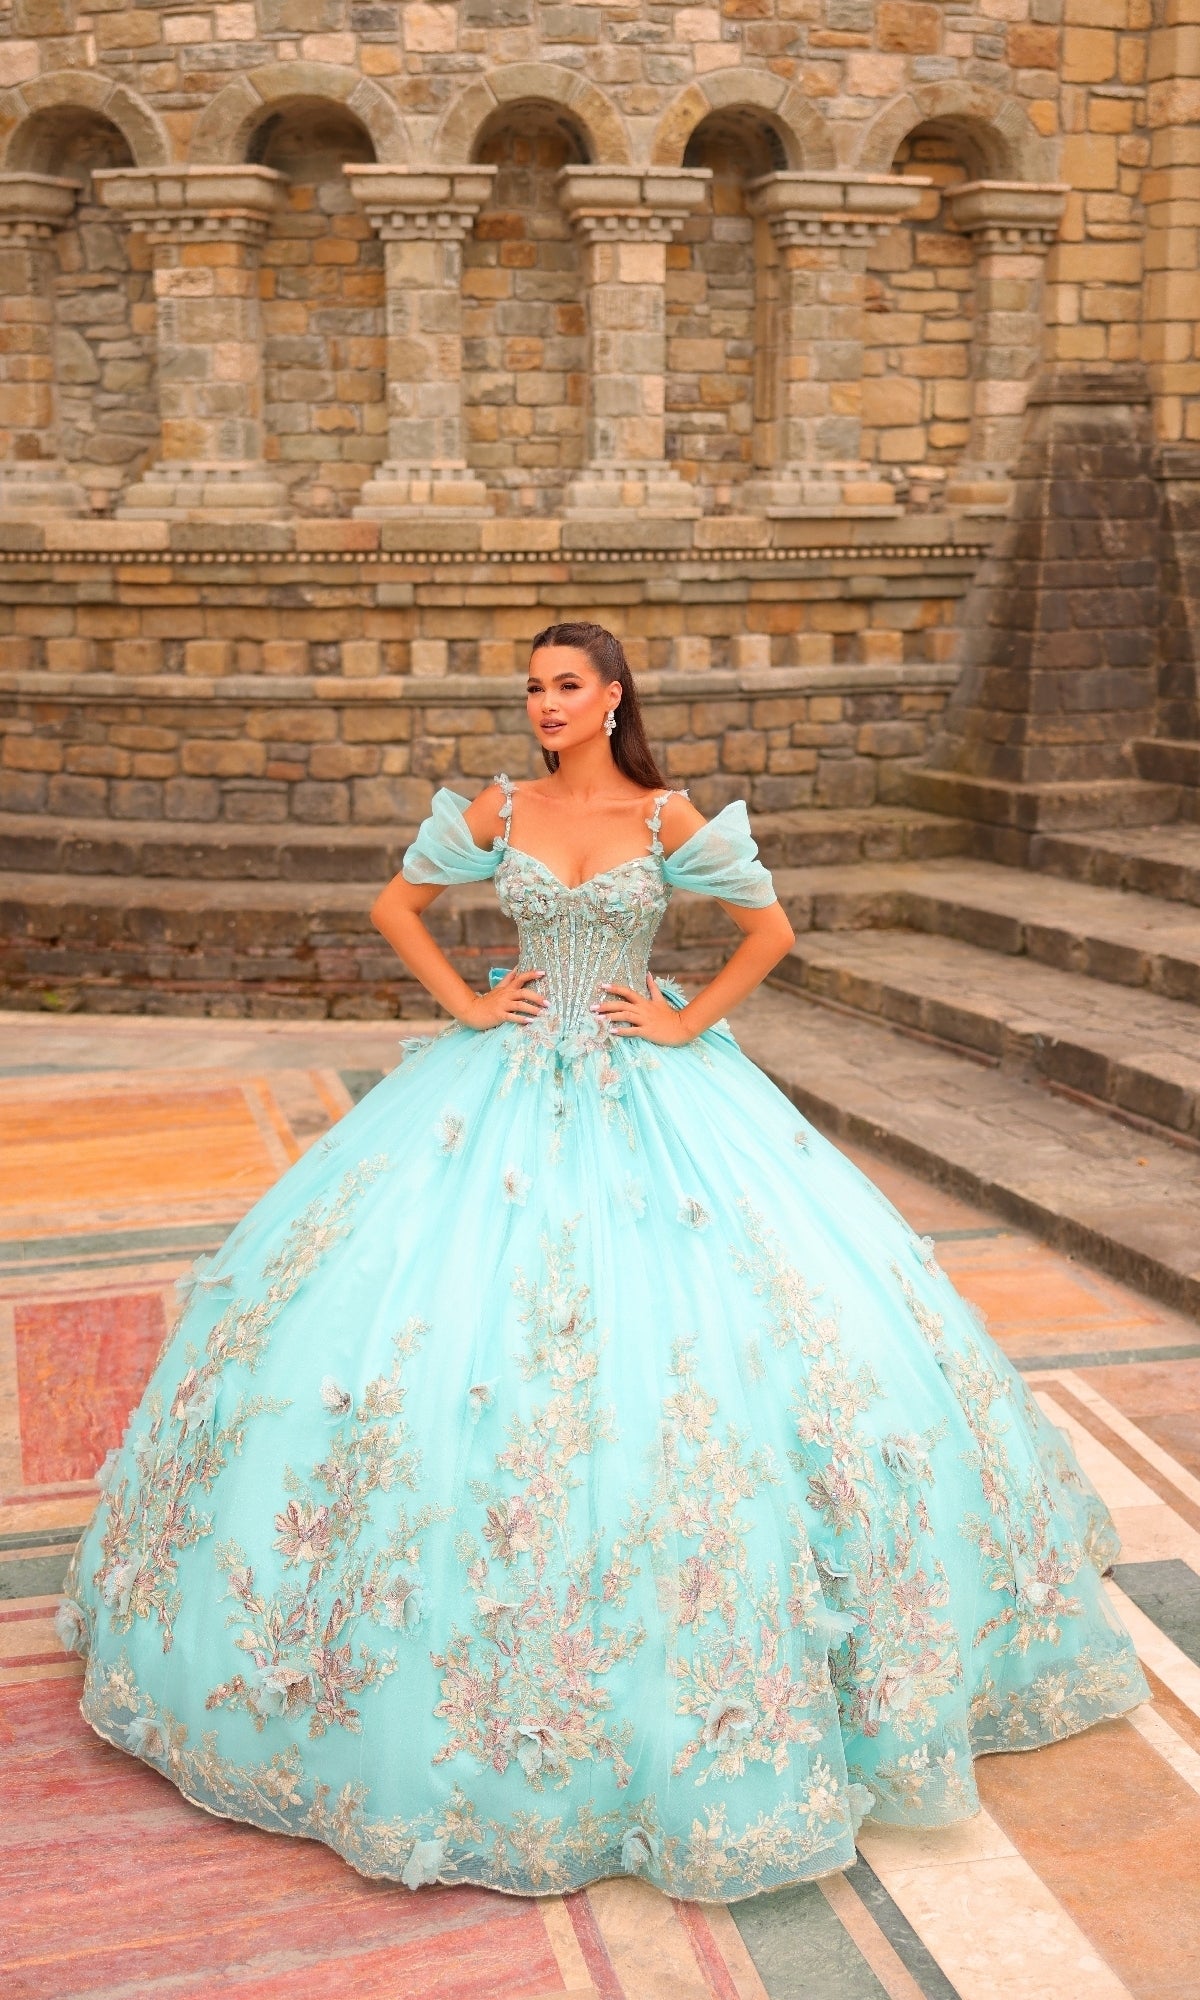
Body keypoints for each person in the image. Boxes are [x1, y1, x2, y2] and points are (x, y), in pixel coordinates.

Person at [59, 620, 1147, 1904]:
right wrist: (468, 1003)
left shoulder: (668, 812)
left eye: (565, 685)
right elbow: (397, 906)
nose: (543, 704)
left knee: (721, 1353)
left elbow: (770, 930)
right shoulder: (499, 804)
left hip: (650, 1086)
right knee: (412, 1336)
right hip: (501, 1079)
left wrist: (681, 1015)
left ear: (613, 695)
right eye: (530, 686)